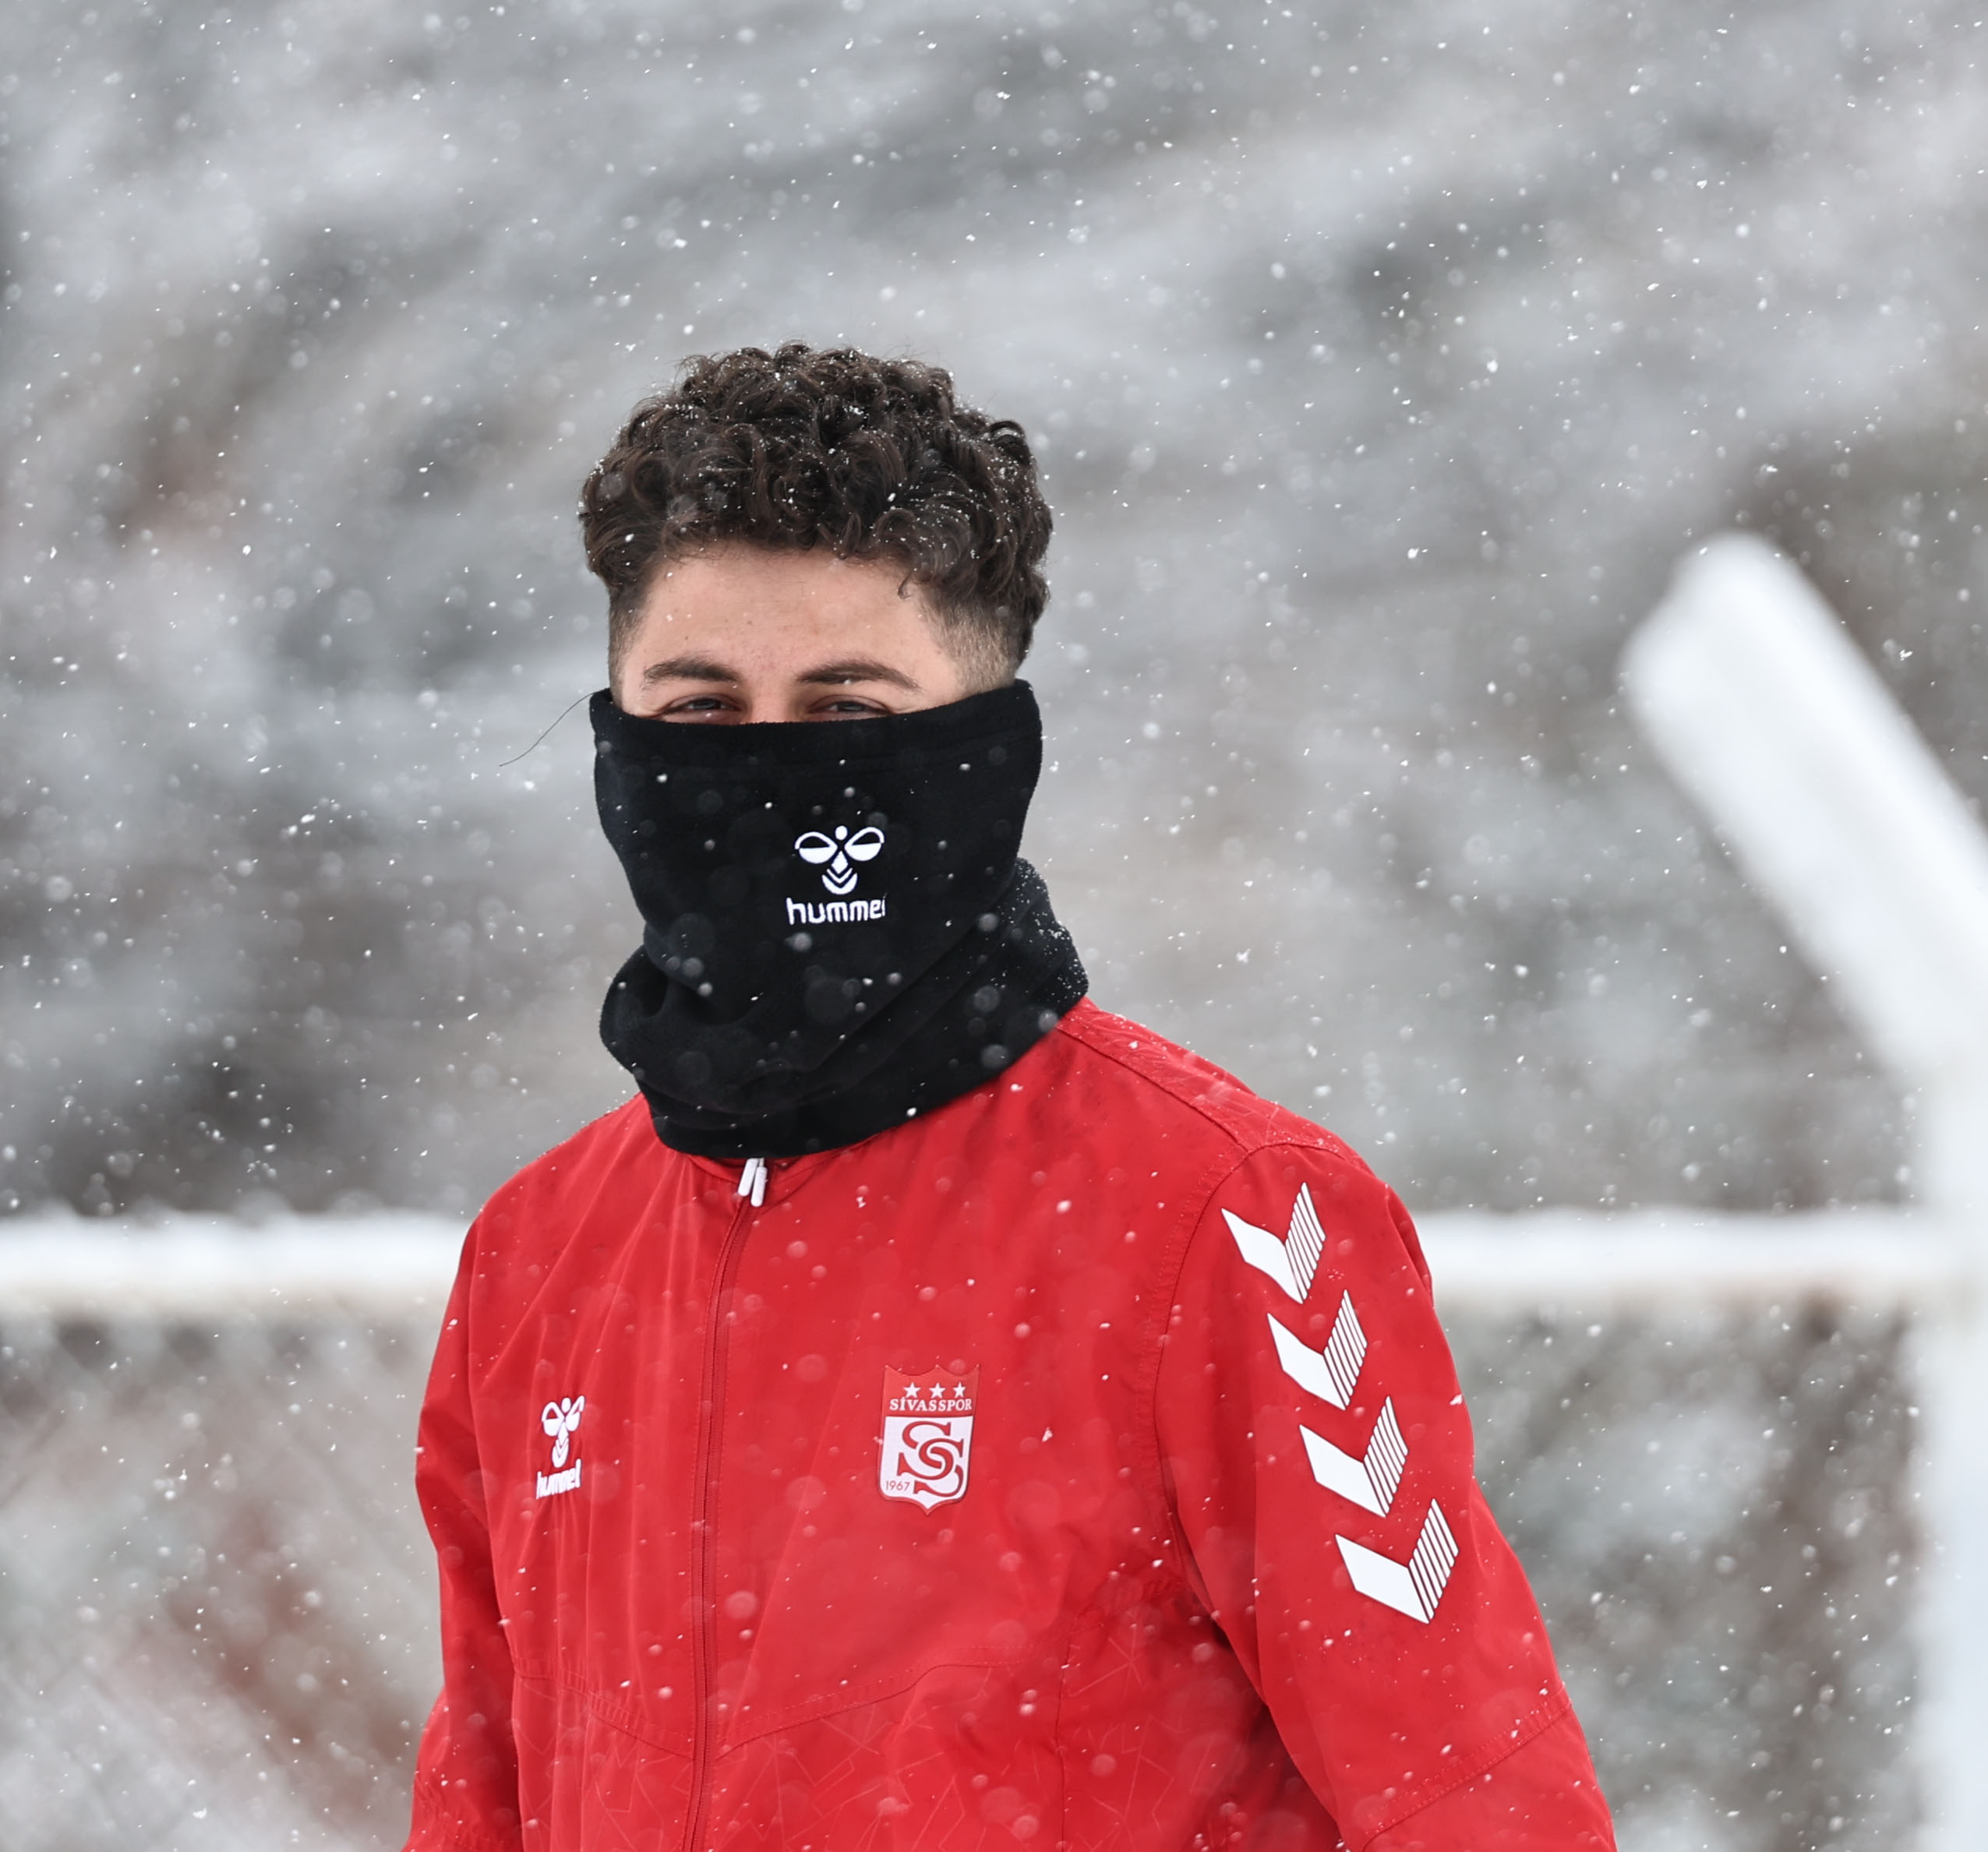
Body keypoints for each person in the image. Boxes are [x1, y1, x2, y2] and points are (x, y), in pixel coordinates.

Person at [404, 343, 1616, 1851]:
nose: (768, 778)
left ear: (983, 752)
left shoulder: (1229, 1217)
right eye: (700, 711)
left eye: (846, 712)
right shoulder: (533, 1261)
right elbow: (482, 1801)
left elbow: (1479, 1804)